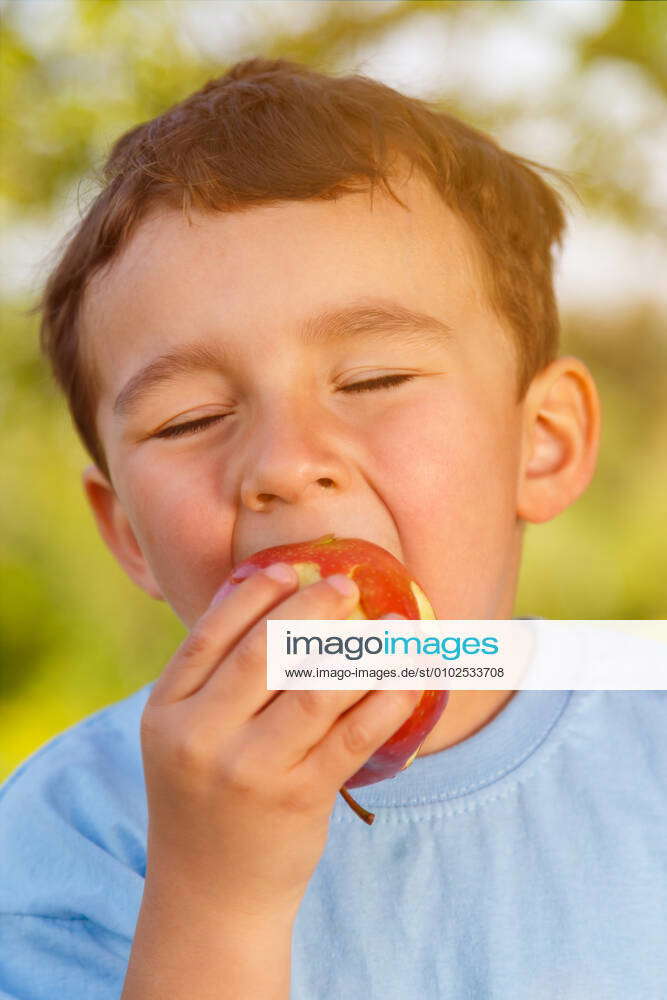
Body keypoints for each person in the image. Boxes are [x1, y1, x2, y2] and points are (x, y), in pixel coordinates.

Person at [1, 57, 665, 1000]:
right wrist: (213, 904)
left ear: (542, 445)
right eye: (188, 419)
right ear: (130, 535)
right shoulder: (67, 842)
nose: (280, 462)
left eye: (373, 380)